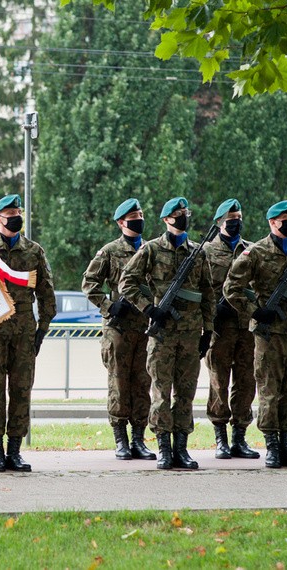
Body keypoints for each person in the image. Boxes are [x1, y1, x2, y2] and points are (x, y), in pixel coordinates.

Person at [119, 197, 215, 470]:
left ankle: (181, 449)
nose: (184, 216)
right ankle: (163, 448)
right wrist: (149, 309)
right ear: (166, 219)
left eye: (186, 212)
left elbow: (208, 294)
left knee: (185, 392)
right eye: (178, 213)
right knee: (161, 392)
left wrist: (208, 330)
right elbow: (127, 282)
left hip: (189, 333)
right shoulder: (150, 250)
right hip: (161, 334)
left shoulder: (198, 252)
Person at [223, 200, 287, 469]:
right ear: (272, 222)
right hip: (269, 334)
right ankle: (273, 446)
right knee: (269, 389)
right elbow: (231, 288)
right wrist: (255, 311)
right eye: (285, 217)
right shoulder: (255, 252)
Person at [0, 194, 56, 472]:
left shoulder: (34, 251)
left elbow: (47, 293)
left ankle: (15, 451)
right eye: (9, 212)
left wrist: (42, 330)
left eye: (17, 211)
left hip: (24, 331)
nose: (15, 216)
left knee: (22, 390)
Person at [81, 198, 156, 461]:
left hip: (145, 327)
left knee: (142, 383)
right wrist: (108, 306)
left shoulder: (152, 249)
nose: (139, 218)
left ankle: (139, 439)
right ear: (121, 222)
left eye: (141, 213)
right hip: (119, 329)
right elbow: (89, 283)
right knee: (119, 384)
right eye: (133, 215)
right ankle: (121, 440)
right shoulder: (110, 251)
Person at [202, 199, 260, 460]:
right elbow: (200, 287)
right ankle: (220, 438)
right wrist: (210, 312)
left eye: (239, 216)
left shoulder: (251, 251)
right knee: (219, 382)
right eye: (231, 218)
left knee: (246, 381)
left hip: (246, 327)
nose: (236, 221)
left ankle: (239, 437)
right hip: (219, 327)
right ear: (219, 223)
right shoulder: (205, 252)